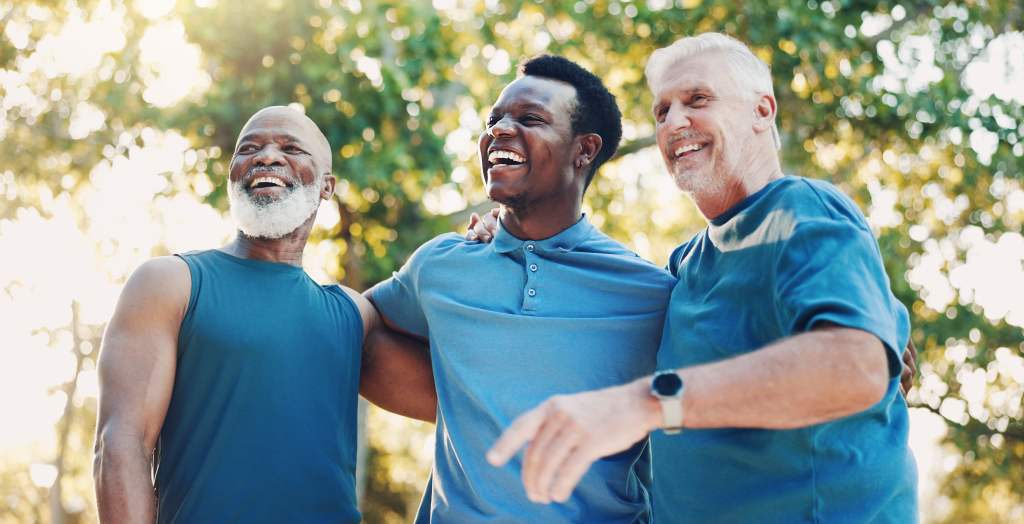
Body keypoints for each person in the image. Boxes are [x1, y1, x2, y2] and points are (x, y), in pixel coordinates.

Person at [487, 33, 918, 523]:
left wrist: (647, 404)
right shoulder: (685, 264)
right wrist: (504, 231)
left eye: (697, 100)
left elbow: (856, 367)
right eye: (662, 111)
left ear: (762, 111)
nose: (674, 122)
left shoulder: (801, 211)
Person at [367, 55, 676, 522]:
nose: (500, 131)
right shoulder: (440, 266)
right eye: (494, 120)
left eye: (530, 119)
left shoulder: (650, 294)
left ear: (585, 150)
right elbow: (354, 332)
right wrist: (465, 408)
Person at [93, 106, 434, 523]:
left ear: (327, 186)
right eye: (249, 148)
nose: (266, 156)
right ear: (233, 173)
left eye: (291, 148)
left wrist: (493, 242)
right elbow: (122, 443)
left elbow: (465, 401)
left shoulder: (352, 314)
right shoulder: (169, 283)